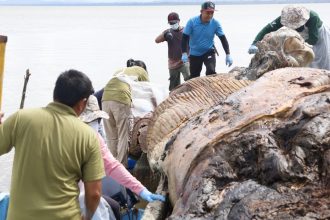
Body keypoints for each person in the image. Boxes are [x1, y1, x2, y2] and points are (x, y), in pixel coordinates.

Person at [0, 70, 105, 220]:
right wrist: (87, 217)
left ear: (55, 94)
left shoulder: (21, 118)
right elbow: (94, 193)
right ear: (82, 103)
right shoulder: (88, 136)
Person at [80, 95, 165, 219]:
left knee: (114, 206)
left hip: (87, 192)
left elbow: (112, 166)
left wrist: (141, 190)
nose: (93, 125)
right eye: (88, 121)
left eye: (96, 120)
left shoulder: (95, 139)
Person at [248, 5, 330, 70]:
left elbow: (313, 39)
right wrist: (254, 43)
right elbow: (268, 28)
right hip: (302, 37)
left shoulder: (313, 17)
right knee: (305, 61)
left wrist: (299, 44)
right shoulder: (286, 16)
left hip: (319, 36)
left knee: (322, 59)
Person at [102, 59, 149, 167]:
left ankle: (111, 167)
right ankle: (121, 167)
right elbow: (148, 91)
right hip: (121, 99)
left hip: (105, 99)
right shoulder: (141, 71)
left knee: (111, 136)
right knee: (124, 135)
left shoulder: (120, 70)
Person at [181, 1, 233, 79]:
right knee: (194, 76)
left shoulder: (215, 23)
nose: (210, 15)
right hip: (195, 53)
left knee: (211, 72)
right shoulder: (192, 22)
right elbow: (184, 38)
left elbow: (223, 39)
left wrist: (228, 54)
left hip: (209, 51)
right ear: (201, 11)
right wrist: (184, 53)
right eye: (207, 12)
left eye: (212, 13)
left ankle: (211, 90)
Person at [155, 12, 190, 91]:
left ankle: (191, 95)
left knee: (189, 79)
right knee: (173, 85)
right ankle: (174, 99)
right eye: (170, 23)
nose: (172, 24)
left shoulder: (186, 31)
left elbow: (195, 41)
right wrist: (165, 34)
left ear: (178, 21)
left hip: (185, 60)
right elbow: (156, 40)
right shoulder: (168, 32)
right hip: (173, 62)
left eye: (174, 23)